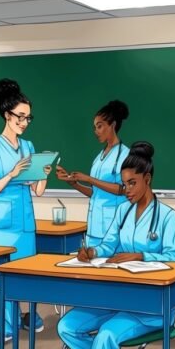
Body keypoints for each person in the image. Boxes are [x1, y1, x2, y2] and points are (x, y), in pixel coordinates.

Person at [55, 142, 175, 349]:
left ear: (148, 180)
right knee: (67, 325)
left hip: (151, 306)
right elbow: (108, 246)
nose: (127, 190)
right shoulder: (122, 211)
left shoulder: (167, 216)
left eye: (132, 183)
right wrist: (92, 252)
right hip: (119, 298)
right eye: (123, 185)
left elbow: (174, 258)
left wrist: (141, 256)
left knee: (107, 334)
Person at [0, 78, 50, 341]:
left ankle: (27, 316)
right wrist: (11, 174)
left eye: (29, 118)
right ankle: (6, 325)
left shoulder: (28, 147)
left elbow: (38, 190)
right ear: (7, 115)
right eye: (20, 116)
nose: (24, 122)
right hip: (1, 223)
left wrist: (43, 174)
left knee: (26, 273)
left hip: (25, 221)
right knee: (3, 277)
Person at [57, 100, 129, 247]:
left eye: (100, 126)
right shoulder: (99, 157)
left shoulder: (125, 155)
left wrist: (89, 179)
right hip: (94, 227)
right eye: (95, 127)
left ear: (113, 125)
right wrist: (75, 183)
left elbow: (125, 190)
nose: (96, 131)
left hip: (113, 227)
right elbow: (96, 193)